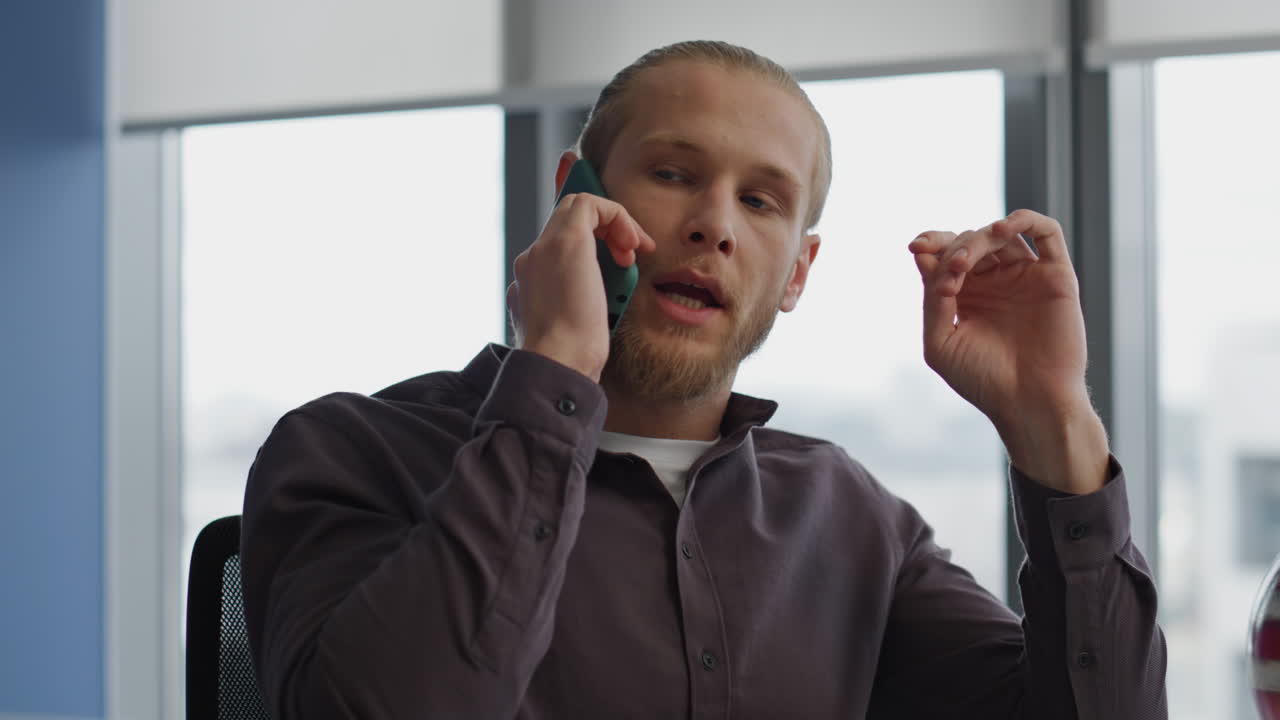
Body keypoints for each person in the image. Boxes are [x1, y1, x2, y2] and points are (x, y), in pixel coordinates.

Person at [240, 40, 1167, 718]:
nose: (715, 226)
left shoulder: (846, 517)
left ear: (796, 272)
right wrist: (556, 365)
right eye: (676, 173)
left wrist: (1058, 428)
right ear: (575, 196)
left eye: (760, 201)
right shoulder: (349, 453)